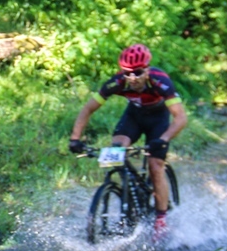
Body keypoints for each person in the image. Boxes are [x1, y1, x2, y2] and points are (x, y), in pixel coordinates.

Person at [68, 44, 187, 240]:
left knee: (155, 165)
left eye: (138, 73)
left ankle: (161, 219)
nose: (132, 78)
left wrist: (163, 139)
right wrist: (75, 138)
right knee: (117, 150)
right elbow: (88, 109)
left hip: (159, 119)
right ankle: (126, 192)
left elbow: (181, 118)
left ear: (147, 70)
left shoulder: (161, 82)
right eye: (127, 73)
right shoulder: (117, 83)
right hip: (134, 116)